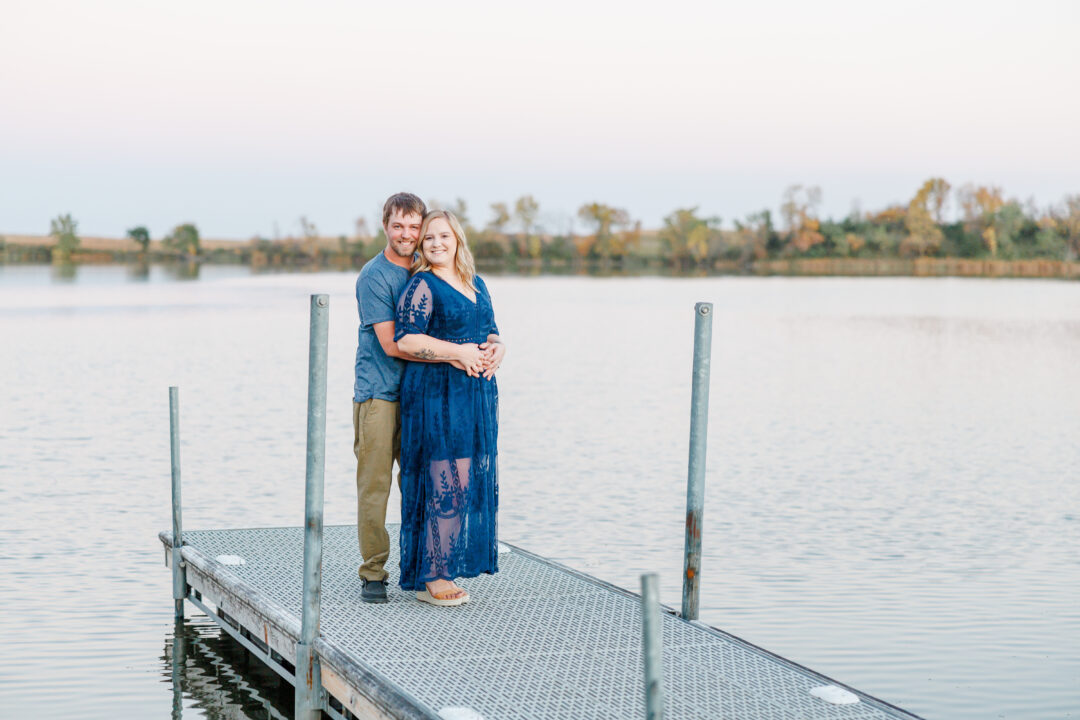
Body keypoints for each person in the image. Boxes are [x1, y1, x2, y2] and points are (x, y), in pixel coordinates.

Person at [394, 210, 505, 606]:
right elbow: (406, 340)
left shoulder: (476, 282)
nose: (436, 243)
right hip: (436, 393)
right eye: (428, 239)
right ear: (421, 247)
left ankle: (444, 564)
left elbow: (490, 330)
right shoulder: (422, 285)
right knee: (446, 484)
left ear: (457, 238)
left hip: (475, 394)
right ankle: (434, 576)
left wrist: (499, 349)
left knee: (466, 481)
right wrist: (456, 352)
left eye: (443, 236)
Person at [352, 192, 428, 604]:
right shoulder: (374, 276)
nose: (407, 234)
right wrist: (453, 354)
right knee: (375, 486)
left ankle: (418, 568)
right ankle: (373, 573)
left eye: (414, 227)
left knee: (419, 484)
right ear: (385, 226)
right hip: (379, 396)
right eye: (398, 226)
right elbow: (392, 344)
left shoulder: (427, 270)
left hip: (421, 396)